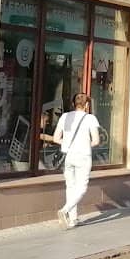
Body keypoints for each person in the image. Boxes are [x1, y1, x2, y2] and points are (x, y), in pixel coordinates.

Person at [43, 92, 100, 228]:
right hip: (83, 156)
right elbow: (96, 140)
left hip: (68, 156)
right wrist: (84, 144)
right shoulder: (90, 119)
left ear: (74, 104)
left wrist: (68, 144)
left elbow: (56, 138)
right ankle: (65, 210)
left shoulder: (64, 116)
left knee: (70, 186)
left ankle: (73, 219)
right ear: (86, 105)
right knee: (82, 187)